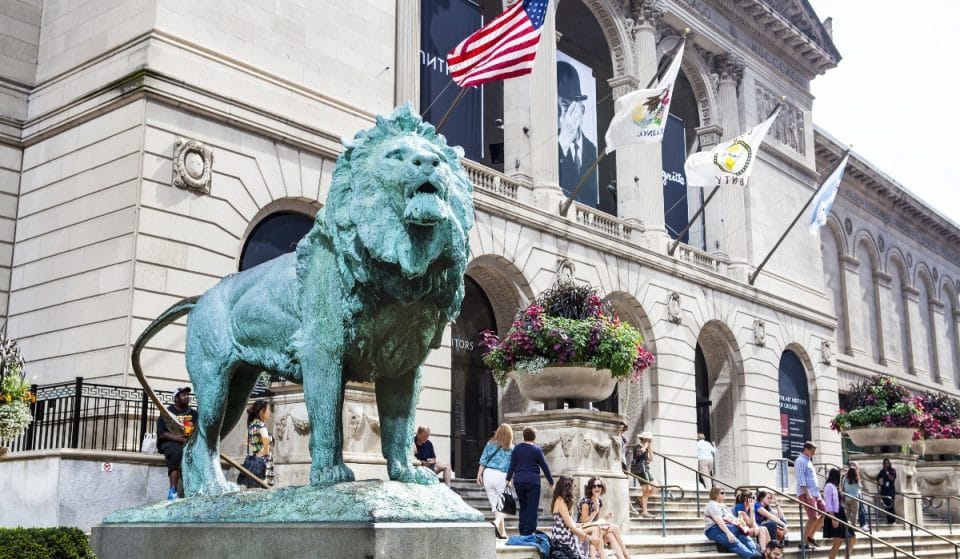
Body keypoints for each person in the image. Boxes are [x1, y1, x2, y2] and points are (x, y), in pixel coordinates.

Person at [557, 60, 598, 202]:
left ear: (581, 109)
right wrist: (563, 144)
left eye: (566, 105)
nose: (563, 116)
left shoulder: (593, 150)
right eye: (558, 108)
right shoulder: (556, 145)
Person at [507, 427, 554, 536]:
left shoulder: (517, 449)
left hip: (518, 481)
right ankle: (530, 530)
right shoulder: (537, 450)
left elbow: (512, 465)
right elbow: (544, 466)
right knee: (532, 506)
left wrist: (508, 479)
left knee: (523, 506)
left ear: (524, 436)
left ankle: (522, 530)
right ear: (534, 437)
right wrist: (551, 481)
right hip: (533, 481)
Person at [156, 386, 198, 500]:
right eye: (183, 395)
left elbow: (197, 431)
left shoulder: (193, 414)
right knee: (176, 452)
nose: (187, 397)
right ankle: (173, 490)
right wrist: (182, 440)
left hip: (188, 442)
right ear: (176, 399)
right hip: (169, 442)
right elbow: (162, 433)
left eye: (187, 395)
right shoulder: (167, 413)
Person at [577, 477, 631, 559]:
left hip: (595, 528)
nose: (596, 488)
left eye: (599, 486)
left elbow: (595, 521)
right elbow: (584, 522)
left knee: (610, 535)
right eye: (594, 486)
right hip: (585, 531)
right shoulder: (586, 501)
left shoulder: (599, 501)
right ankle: (627, 556)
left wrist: (606, 517)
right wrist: (595, 511)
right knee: (614, 528)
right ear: (590, 488)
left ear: (602, 488)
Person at [551, 475, 603, 559]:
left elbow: (571, 524)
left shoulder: (562, 501)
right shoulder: (560, 501)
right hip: (562, 540)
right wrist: (590, 538)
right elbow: (571, 527)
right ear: (567, 487)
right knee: (594, 530)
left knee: (595, 527)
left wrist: (584, 525)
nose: (574, 487)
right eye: (573, 485)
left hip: (567, 536)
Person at [702, 486, 761, 559]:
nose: (725, 494)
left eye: (725, 493)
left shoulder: (724, 506)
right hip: (713, 529)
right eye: (722, 493)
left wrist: (742, 526)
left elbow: (733, 518)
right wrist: (728, 533)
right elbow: (719, 521)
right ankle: (752, 557)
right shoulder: (712, 504)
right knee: (734, 542)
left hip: (729, 527)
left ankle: (757, 554)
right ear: (715, 494)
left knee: (744, 537)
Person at [477, 423, 513, 539]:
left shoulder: (490, 444)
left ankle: (502, 533)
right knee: (506, 506)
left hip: (488, 474)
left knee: (496, 506)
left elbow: (483, 460)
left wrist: (479, 475)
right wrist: (510, 479)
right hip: (502, 476)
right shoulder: (511, 448)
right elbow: (513, 466)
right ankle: (496, 523)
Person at [795, 441, 825, 549]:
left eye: (814, 451)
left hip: (815, 493)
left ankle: (810, 537)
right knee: (813, 517)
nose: (814, 453)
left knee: (826, 512)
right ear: (806, 449)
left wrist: (818, 494)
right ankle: (803, 542)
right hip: (806, 493)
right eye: (812, 451)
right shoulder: (800, 461)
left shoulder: (808, 461)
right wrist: (808, 494)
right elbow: (801, 479)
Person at [237, 400, 273, 488]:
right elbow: (266, 438)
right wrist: (265, 451)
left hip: (252, 460)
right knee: (260, 488)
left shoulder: (252, 425)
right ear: (262, 412)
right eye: (268, 410)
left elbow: (246, 441)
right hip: (262, 461)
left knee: (252, 487)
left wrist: (255, 449)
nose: (269, 412)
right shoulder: (261, 425)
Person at [823, 467, 855, 559]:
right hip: (835, 515)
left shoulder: (835, 486)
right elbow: (828, 504)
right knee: (838, 541)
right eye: (839, 475)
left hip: (840, 514)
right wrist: (833, 518)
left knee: (852, 539)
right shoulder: (829, 486)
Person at [631, 432, 656, 517]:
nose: (650, 441)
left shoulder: (646, 448)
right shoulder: (638, 446)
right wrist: (645, 447)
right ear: (645, 439)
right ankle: (644, 512)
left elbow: (651, 460)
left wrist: (650, 449)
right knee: (646, 490)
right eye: (650, 440)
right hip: (640, 470)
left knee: (656, 487)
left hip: (646, 470)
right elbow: (638, 454)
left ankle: (640, 499)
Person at [842, 462, 865, 529]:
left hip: (847, 497)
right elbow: (860, 487)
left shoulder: (845, 479)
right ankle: (853, 525)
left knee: (848, 511)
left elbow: (844, 487)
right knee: (855, 513)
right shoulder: (856, 479)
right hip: (855, 497)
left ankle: (846, 523)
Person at [877, 458, 898, 524]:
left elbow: (892, 479)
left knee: (891, 505)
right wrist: (880, 483)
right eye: (884, 463)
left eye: (887, 463)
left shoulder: (892, 470)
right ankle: (888, 520)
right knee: (886, 506)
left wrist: (887, 472)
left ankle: (893, 520)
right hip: (884, 490)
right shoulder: (882, 471)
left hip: (891, 490)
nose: (886, 465)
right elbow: (877, 478)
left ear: (889, 464)